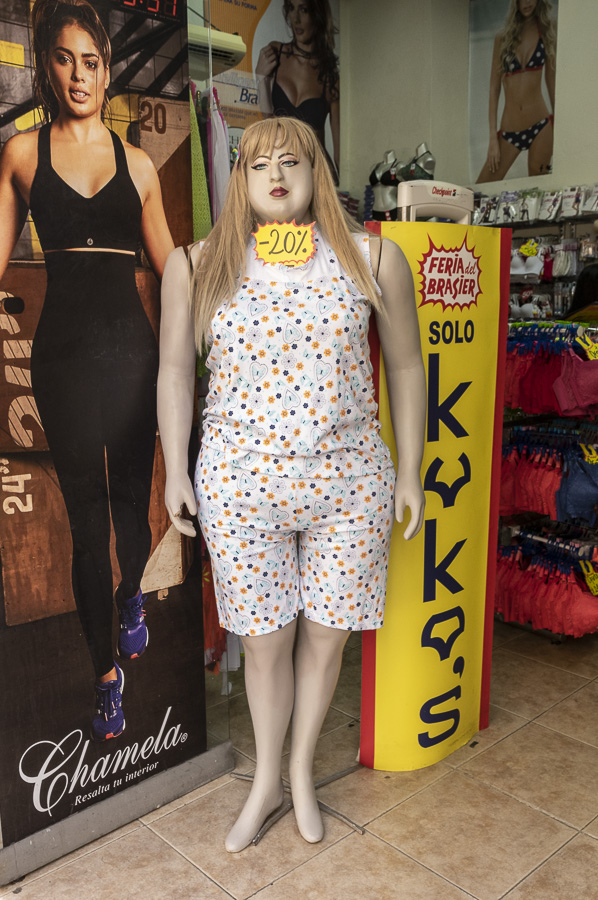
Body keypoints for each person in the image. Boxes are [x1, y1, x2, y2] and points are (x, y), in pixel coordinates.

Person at [158, 116, 426, 851]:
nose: (275, 175)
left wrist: (410, 471)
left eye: (291, 160)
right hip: (240, 485)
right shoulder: (197, 263)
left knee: (326, 640)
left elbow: (407, 365)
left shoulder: (373, 257)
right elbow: (175, 370)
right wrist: (176, 470)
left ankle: (301, 772)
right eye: (258, 164)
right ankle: (266, 781)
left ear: (317, 171)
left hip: (349, 484)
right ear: (239, 178)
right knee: (265, 642)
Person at [0, 0, 174, 740]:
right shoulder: (21, 153)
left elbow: (173, 270)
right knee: (86, 522)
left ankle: (132, 590)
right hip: (63, 361)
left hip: (133, 358)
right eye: (65, 59)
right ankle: (106, 675)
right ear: (48, 66)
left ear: (107, 72)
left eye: (92, 62)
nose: (79, 74)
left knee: (132, 512)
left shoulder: (139, 165)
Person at [255, 0, 340, 183]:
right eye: (292, 9)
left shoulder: (330, 75)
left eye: (304, 10)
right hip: (283, 171)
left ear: (317, 16)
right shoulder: (274, 54)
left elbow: (340, 154)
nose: (296, 18)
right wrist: (261, 78)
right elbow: (267, 121)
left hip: (317, 174)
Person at [477, 0, 556, 183]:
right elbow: (494, 89)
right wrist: (493, 140)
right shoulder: (502, 38)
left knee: (538, 188)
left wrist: (559, 126)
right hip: (509, 132)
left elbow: (551, 80)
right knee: (481, 187)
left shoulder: (546, 30)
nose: (527, 2)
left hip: (541, 126)